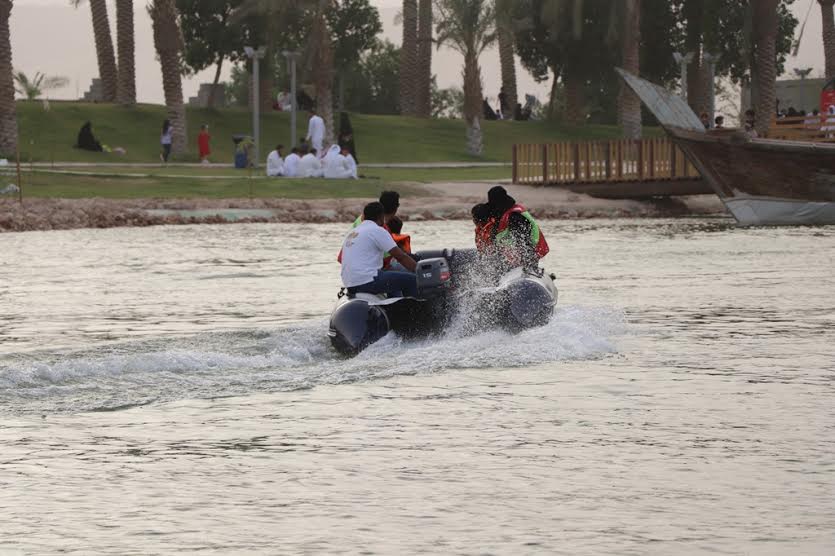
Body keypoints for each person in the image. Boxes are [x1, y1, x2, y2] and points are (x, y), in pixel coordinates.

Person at [341, 202, 418, 298]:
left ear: (364, 216)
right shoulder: (377, 230)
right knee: (413, 280)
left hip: (349, 284)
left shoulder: (353, 232)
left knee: (393, 280)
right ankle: (415, 308)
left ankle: (396, 305)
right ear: (381, 217)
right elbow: (401, 257)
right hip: (367, 281)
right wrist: (419, 271)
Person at [486, 186, 549, 269]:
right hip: (517, 254)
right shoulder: (507, 212)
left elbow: (524, 241)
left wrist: (527, 264)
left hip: (531, 252)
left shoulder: (515, 216)